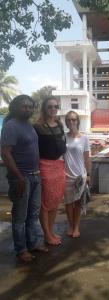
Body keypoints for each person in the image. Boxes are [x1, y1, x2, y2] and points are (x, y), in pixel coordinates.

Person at [0, 95, 48, 262]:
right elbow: (5, 154)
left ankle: (33, 243)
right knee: (20, 216)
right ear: (15, 107)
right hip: (21, 178)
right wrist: (19, 177)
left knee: (33, 214)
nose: (27, 109)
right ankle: (21, 249)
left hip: (35, 176)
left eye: (30, 106)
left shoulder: (28, 125)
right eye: (23, 106)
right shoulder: (11, 126)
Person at [34, 97, 66, 245]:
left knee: (55, 200)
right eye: (50, 107)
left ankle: (51, 232)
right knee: (45, 203)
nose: (53, 109)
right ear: (44, 108)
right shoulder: (38, 126)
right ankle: (47, 235)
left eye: (55, 106)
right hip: (45, 166)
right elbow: (33, 149)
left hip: (59, 165)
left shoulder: (59, 124)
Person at [64, 111, 91, 238]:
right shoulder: (63, 137)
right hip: (66, 175)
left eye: (74, 119)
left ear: (78, 121)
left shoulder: (84, 138)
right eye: (69, 120)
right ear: (66, 122)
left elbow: (87, 158)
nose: (71, 122)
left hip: (80, 176)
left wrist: (89, 175)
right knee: (69, 203)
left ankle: (76, 227)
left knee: (78, 203)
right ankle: (70, 225)